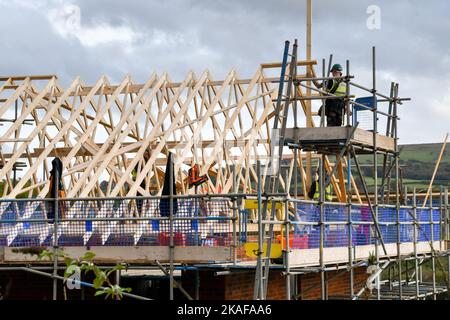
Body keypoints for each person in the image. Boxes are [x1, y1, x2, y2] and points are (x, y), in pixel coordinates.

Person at [131, 149, 151, 217]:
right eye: (145, 154)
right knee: (138, 200)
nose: (146, 155)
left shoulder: (146, 161)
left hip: (141, 182)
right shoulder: (140, 161)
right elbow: (136, 170)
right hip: (138, 182)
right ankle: (136, 214)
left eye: (147, 154)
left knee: (141, 199)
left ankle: (141, 213)